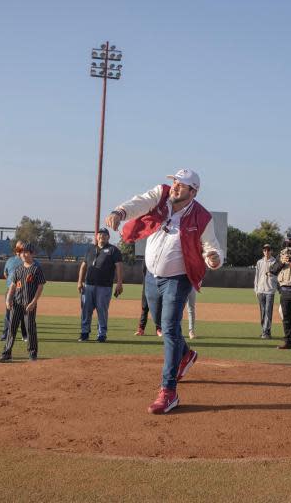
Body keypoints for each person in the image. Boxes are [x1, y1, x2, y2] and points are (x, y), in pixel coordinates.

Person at [105, 168, 224, 414]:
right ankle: (186, 355)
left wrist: (214, 257)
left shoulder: (202, 217)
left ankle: (168, 391)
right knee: (160, 322)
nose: (176, 187)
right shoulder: (162, 195)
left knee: (169, 328)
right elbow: (140, 202)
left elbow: (211, 246)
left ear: (193, 191)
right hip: (151, 276)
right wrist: (121, 211)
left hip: (178, 279)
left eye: (181, 184)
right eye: (175, 182)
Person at [0, 242, 45, 363]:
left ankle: (32, 353)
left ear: (32, 253)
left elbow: (40, 286)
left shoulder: (36, 268)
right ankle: (6, 353)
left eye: (26, 252)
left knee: (30, 328)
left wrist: (34, 301)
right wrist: (9, 299)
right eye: (21, 252)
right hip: (16, 303)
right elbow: (13, 286)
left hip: (29, 304)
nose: (23, 255)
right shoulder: (18, 269)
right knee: (12, 328)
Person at [77, 228, 124, 342]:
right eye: (100, 234)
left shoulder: (113, 250)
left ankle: (102, 334)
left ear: (108, 237)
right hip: (88, 285)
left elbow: (119, 267)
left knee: (102, 310)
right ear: (96, 236)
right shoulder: (90, 249)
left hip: (104, 286)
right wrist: (80, 281)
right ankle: (84, 333)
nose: (102, 236)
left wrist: (119, 283)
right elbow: (83, 266)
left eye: (104, 234)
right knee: (86, 309)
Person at [0, 241, 28, 342]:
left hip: (24, 291)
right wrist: (11, 283)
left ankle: (25, 335)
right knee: (8, 313)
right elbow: (5, 273)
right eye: (18, 248)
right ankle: (5, 335)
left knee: (24, 314)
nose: (19, 251)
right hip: (10, 290)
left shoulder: (27, 260)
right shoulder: (10, 260)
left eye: (21, 248)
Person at [254, 244, 278, 339]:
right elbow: (257, 276)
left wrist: (271, 274)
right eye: (265, 250)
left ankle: (266, 332)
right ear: (263, 251)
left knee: (268, 311)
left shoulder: (275, 262)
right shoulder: (259, 262)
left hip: (270, 290)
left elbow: (277, 275)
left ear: (271, 251)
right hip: (260, 290)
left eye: (268, 250)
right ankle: (265, 330)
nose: (266, 252)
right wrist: (256, 289)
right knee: (263, 311)